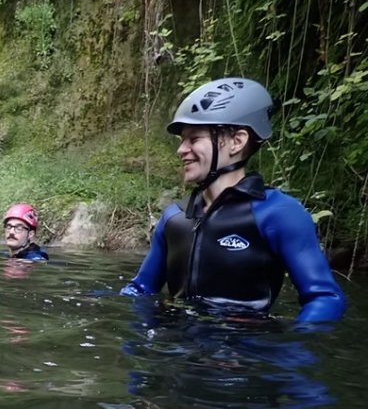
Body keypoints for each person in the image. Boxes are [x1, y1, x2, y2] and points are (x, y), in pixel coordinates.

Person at [120, 77, 345, 322]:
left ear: (237, 141)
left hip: (243, 352)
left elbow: (324, 298)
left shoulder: (278, 212)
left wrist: (288, 355)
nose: (181, 150)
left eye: (194, 139)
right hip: (176, 351)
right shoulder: (174, 216)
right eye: (183, 140)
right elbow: (140, 290)